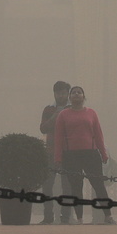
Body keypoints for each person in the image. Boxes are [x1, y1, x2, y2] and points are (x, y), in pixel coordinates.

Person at [53, 86, 116, 225]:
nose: (76, 94)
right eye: (73, 92)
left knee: (98, 185)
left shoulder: (91, 113)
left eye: (79, 92)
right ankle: (80, 218)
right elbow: (58, 138)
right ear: (70, 97)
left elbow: (98, 135)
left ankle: (108, 216)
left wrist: (103, 154)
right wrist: (58, 158)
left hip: (90, 154)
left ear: (83, 96)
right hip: (71, 155)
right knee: (76, 187)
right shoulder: (63, 115)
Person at [37, 80, 71, 225]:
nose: (61, 96)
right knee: (47, 184)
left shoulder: (73, 109)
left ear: (67, 94)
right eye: (58, 93)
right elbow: (43, 128)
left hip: (68, 152)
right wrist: (54, 117)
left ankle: (66, 217)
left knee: (67, 185)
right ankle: (48, 216)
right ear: (54, 93)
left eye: (63, 93)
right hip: (50, 151)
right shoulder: (49, 109)